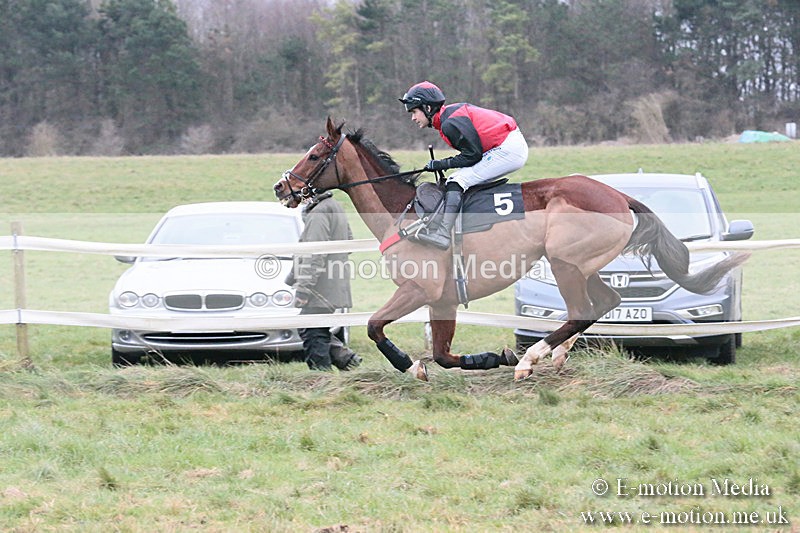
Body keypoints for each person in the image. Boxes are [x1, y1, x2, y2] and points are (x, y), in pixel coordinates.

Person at [399, 81, 529, 250]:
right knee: (459, 178)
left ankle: (443, 234)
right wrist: (443, 164)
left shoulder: (449, 123)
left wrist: (441, 164)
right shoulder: (447, 118)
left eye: (415, 111)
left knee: (457, 180)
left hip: (508, 149)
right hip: (505, 144)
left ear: (428, 108)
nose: (413, 118)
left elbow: (472, 156)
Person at [285, 191, 361, 371]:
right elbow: (348, 240)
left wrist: (303, 288)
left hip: (320, 285)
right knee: (314, 328)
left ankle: (322, 377)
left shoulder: (319, 212)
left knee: (312, 330)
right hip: (333, 282)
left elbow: (314, 255)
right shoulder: (334, 206)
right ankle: (349, 361)